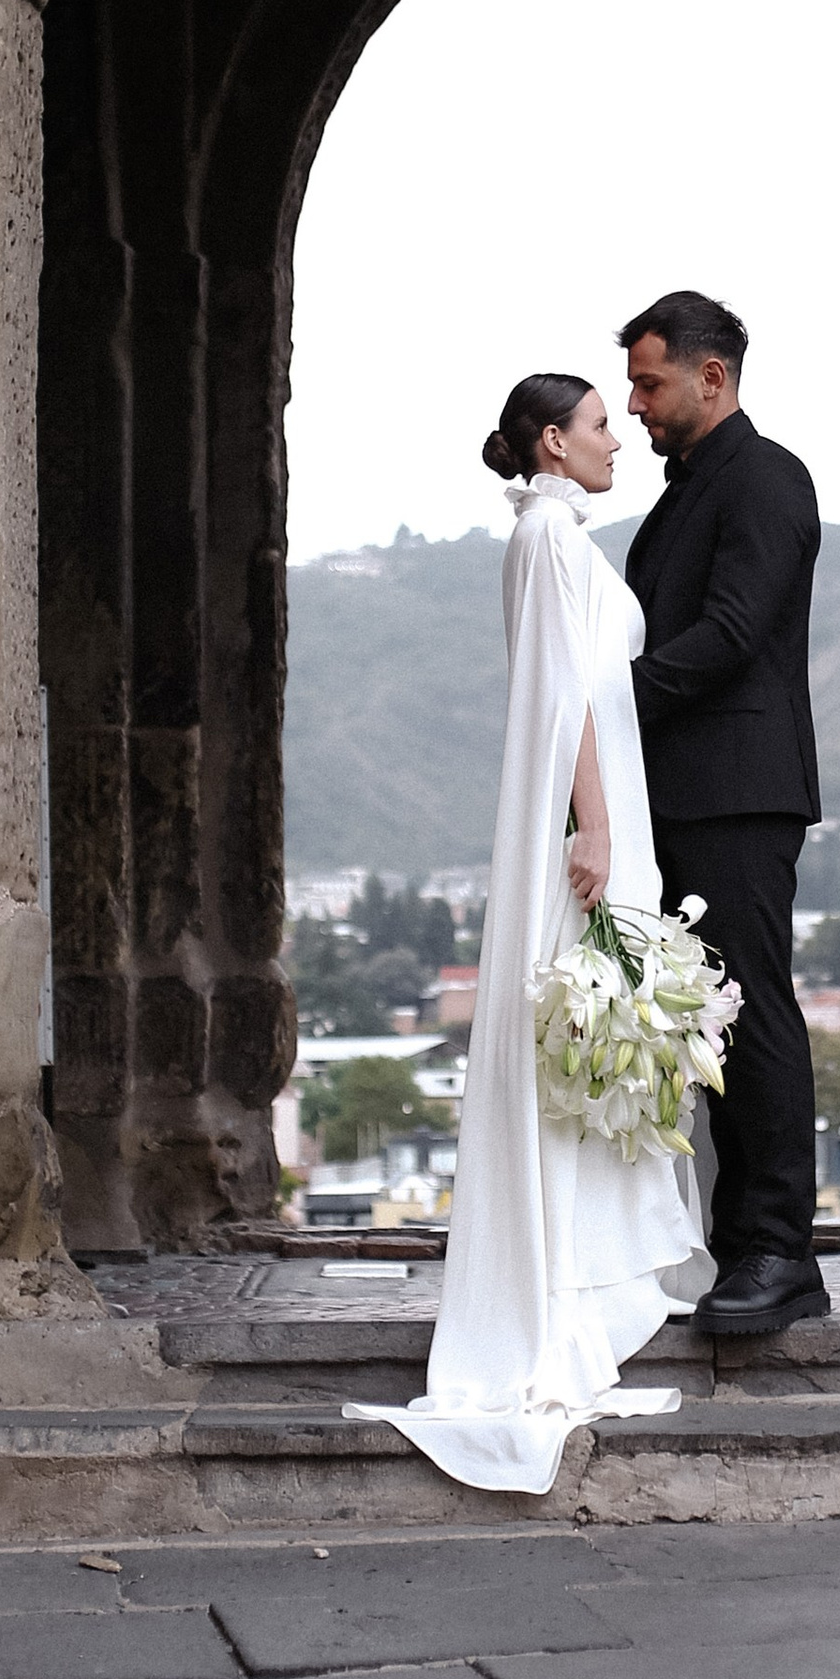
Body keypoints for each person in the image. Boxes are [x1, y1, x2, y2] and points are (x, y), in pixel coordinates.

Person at [349, 372, 703, 1493]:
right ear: (552, 443)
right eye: (602, 426)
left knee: (590, 1057)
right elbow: (566, 699)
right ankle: (556, 1302)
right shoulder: (549, 539)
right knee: (575, 1051)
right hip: (595, 823)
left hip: (613, 819)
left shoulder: (557, 536)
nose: (619, 443)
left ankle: (571, 1284)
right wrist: (592, 823)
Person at [619, 292, 829, 1335]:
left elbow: (736, 630)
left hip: (739, 791)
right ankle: (737, 1240)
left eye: (649, 383)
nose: (634, 403)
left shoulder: (767, 477)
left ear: (713, 377)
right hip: (685, 791)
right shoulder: (689, 491)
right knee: (708, 1023)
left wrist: (608, 698)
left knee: (752, 1013)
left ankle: (780, 1251)